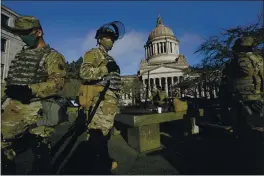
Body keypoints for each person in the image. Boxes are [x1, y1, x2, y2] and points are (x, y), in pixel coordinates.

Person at [1, 16, 67, 174]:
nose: (22, 37)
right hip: (14, 109)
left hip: (38, 111)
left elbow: (57, 84)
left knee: (40, 153)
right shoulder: (21, 55)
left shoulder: (52, 56)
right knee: (4, 149)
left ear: (39, 32)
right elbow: (10, 83)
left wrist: (30, 89)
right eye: (19, 34)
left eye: (25, 33)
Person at [78, 21, 125, 172]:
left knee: (102, 136)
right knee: (98, 136)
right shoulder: (93, 53)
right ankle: (99, 165)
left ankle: (98, 163)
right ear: (100, 39)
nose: (111, 41)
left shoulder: (109, 57)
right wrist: (105, 68)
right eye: (108, 37)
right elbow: (84, 73)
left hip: (108, 103)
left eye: (113, 38)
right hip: (100, 101)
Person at [222, 36, 264, 173]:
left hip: (244, 99)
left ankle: (246, 163)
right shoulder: (259, 59)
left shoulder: (241, 60)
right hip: (258, 97)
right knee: (257, 128)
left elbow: (246, 72)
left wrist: (229, 71)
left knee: (245, 131)